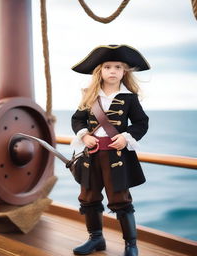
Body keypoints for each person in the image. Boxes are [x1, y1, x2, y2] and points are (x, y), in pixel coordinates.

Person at [70, 44, 150, 256]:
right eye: (107, 67)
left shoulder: (129, 97)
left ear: (124, 72)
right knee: (89, 197)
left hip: (116, 157)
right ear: (100, 71)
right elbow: (77, 119)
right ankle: (96, 239)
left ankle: (131, 245)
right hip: (92, 156)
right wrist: (85, 135)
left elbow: (141, 123)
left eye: (118, 67)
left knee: (120, 200)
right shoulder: (89, 95)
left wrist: (126, 137)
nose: (112, 71)